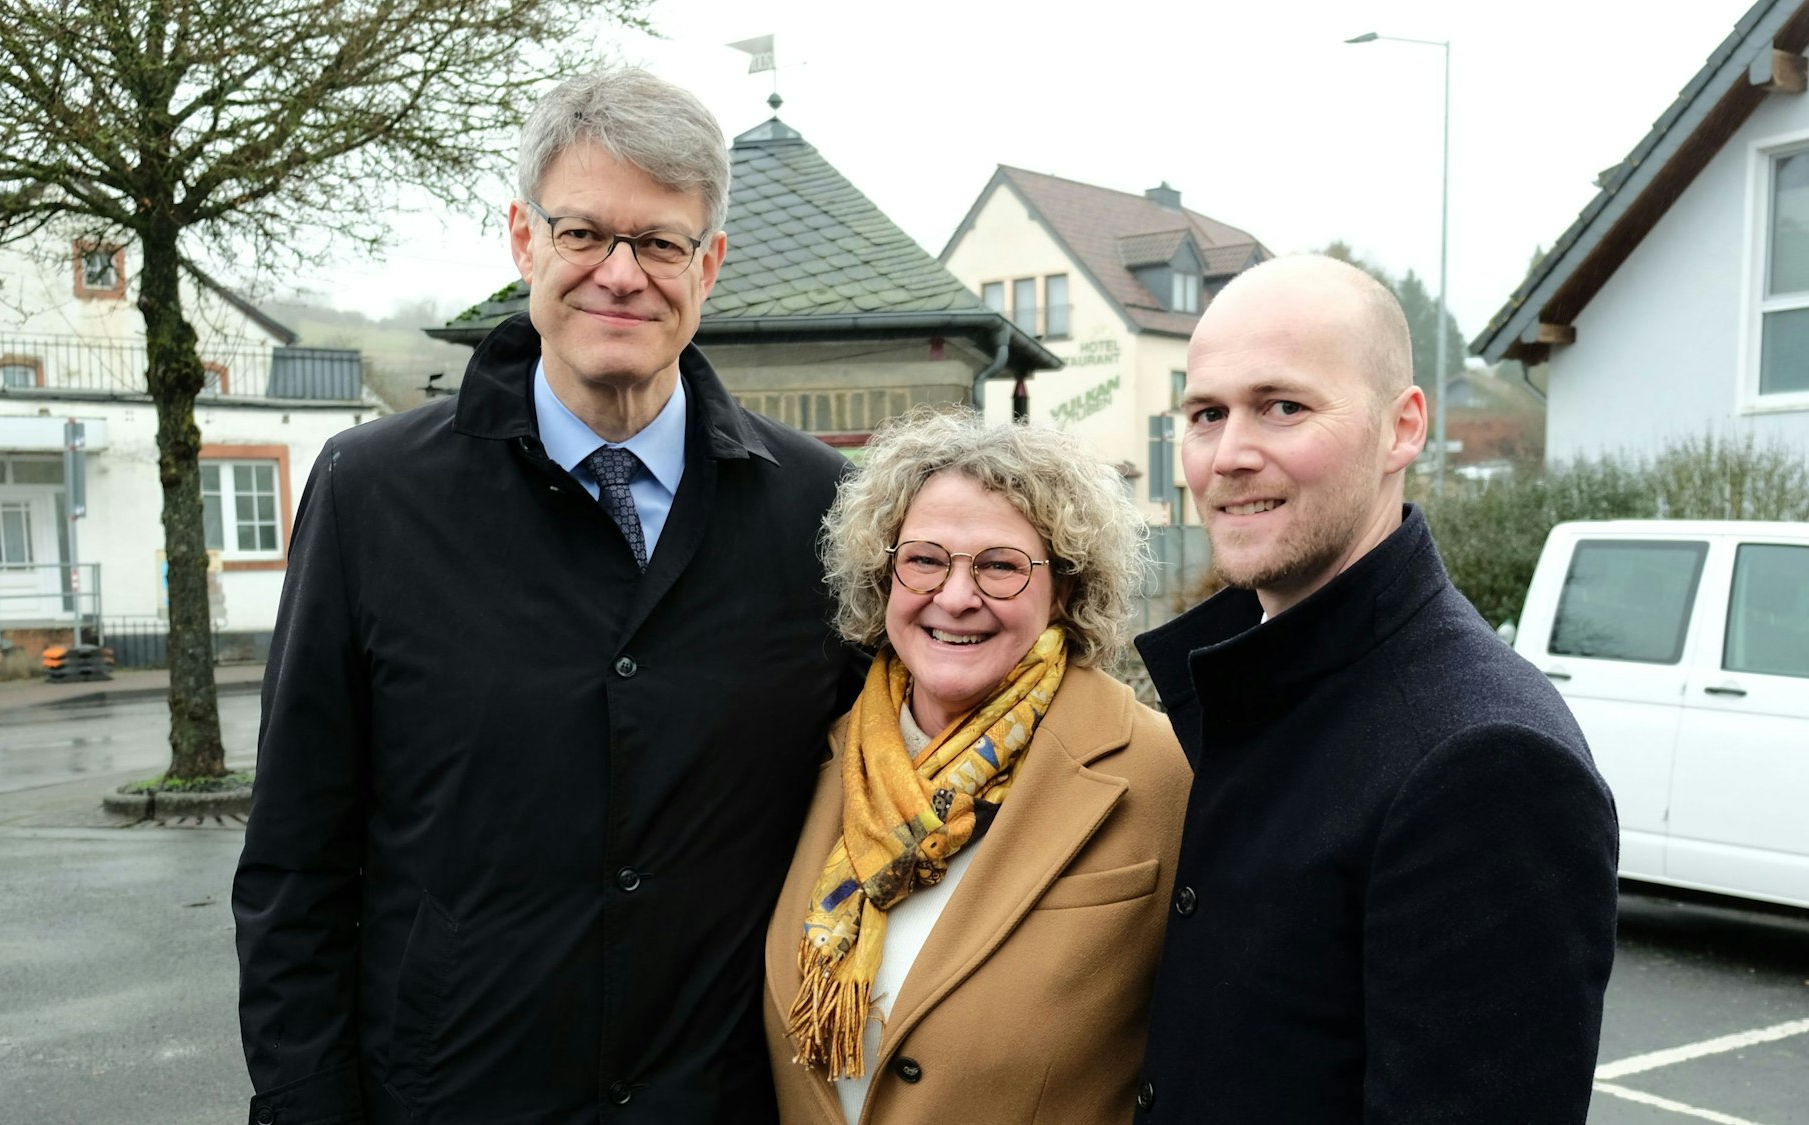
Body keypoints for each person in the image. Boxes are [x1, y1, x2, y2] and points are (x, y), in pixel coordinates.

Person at [233, 69, 863, 1125]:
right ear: (525, 241)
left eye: (658, 243)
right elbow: (297, 858)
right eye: (584, 233)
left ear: (708, 266)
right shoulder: (371, 495)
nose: (620, 274)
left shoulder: (820, 511)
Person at [1131, 255, 1619, 1122]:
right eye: (1207, 414)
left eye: (1283, 406)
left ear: (1403, 428)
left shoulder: (1486, 758)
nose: (1229, 455)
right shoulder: (1263, 682)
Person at [762, 410, 1192, 1125]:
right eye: (925, 560)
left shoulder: (1164, 772)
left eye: (1000, 566)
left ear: (1065, 588)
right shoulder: (818, 758)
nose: (957, 596)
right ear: (885, 576)